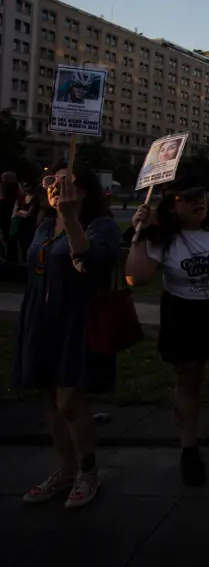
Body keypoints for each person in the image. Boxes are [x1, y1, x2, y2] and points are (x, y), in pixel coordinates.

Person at [124, 168, 209, 487]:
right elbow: (137, 277)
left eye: (202, 196)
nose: (198, 202)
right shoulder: (162, 233)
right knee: (188, 381)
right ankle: (189, 449)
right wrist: (139, 234)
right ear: (171, 205)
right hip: (183, 311)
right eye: (188, 198)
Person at [14, 166, 121, 508]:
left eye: (67, 183)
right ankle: (64, 470)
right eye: (51, 182)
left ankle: (88, 472)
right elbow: (33, 269)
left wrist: (71, 218)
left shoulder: (99, 226)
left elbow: (91, 263)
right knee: (50, 402)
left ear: (86, 191)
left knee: (69, 402)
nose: (57, 188)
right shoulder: (45, 225)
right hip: (41, 320)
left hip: (77, 322)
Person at [10, 184, 40, 264]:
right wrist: (24, 214)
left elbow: (30, 214)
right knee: (21, 247)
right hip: (21, 226)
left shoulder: (35, 199)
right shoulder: (21, 198)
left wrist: (21, 212)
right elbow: (15, 212)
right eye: (23, 186)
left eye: (26, 185)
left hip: (30, 226)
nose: (24, 187)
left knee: (29, 245)